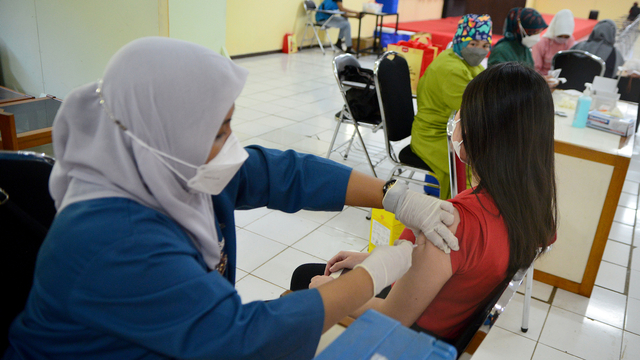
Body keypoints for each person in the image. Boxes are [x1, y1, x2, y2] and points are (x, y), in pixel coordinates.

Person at [3, 37, 459, 360]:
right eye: (218, 131)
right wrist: (375, 273)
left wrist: (393, 196)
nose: (232, 146)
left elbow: (285, 172)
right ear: (164, 135)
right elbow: (243, 340)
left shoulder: (171, 165)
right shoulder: (113, 238)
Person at [306, 62, 557, 340]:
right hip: (445, 315)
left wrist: (327, 292)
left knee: (307, 278)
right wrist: (376, 259)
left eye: (464, 110)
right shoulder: (535, 205)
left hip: (410, 337)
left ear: (480, 133)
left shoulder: (453, 223)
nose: (457, 118)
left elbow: (392, 317)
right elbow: (457, 270)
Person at [410, 14, 492, 200]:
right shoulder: (451, 69)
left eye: (485, 46)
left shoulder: (465, 61)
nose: (479, 51)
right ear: (460, 40)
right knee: (470, 164)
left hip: (455, 129)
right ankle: (457, 212)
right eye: (473, 44)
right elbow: (477, 110)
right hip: (434, 135)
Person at [532, 9, 576, 76]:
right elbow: (535, 68)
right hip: (542, 78)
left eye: (566, 37)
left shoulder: (570, 41)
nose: (563, 39)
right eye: (560, 36)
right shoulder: (542, 43)